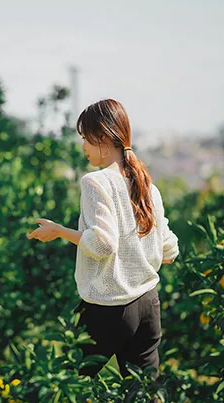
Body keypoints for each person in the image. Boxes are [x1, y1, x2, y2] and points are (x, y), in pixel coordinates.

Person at [27, 98, 179, 381]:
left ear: (103, 138)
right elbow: (169, 249)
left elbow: (102, 244)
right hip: (148, 304)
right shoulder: (147, 186)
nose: (83, 146)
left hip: (109, 308)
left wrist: (59, 230)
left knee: (68, 384)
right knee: (145, 392)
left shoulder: (96, 182)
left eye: (85, 138)